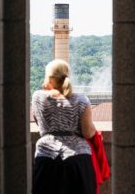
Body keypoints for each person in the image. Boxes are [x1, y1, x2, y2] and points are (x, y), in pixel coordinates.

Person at [32, 59, 97, 194]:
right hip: (77, 159)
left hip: (46, 157)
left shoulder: (38, 97)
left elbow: (38, 122)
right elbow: (88, 133)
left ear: (49, 78)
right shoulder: (82, 100)